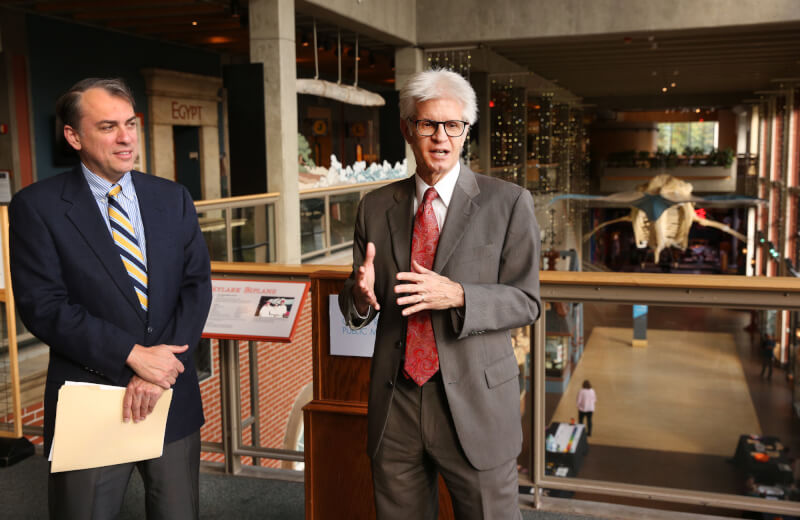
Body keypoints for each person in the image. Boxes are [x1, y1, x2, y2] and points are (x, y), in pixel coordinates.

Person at [339, 68, 541, 519]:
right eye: (428, 124)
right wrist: (359, 297)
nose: (441, 137)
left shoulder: (508, 202)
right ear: (407, 128)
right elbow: (355, 300)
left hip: (476, 402)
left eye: (453, 125)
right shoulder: (375, 206)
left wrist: (460, 295)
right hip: (397, 403)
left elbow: (527, 301)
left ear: (467, 131)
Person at [9, 77, 212, 519]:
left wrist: (159, 369)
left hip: (169, 396)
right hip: (91, 400)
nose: (125, 138)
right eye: (107, 127)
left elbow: (196, 286)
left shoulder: (172, 197)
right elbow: (44, 307)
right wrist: (132, 356)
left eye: (130, 124)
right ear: (74, 136)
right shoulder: (37, 207)